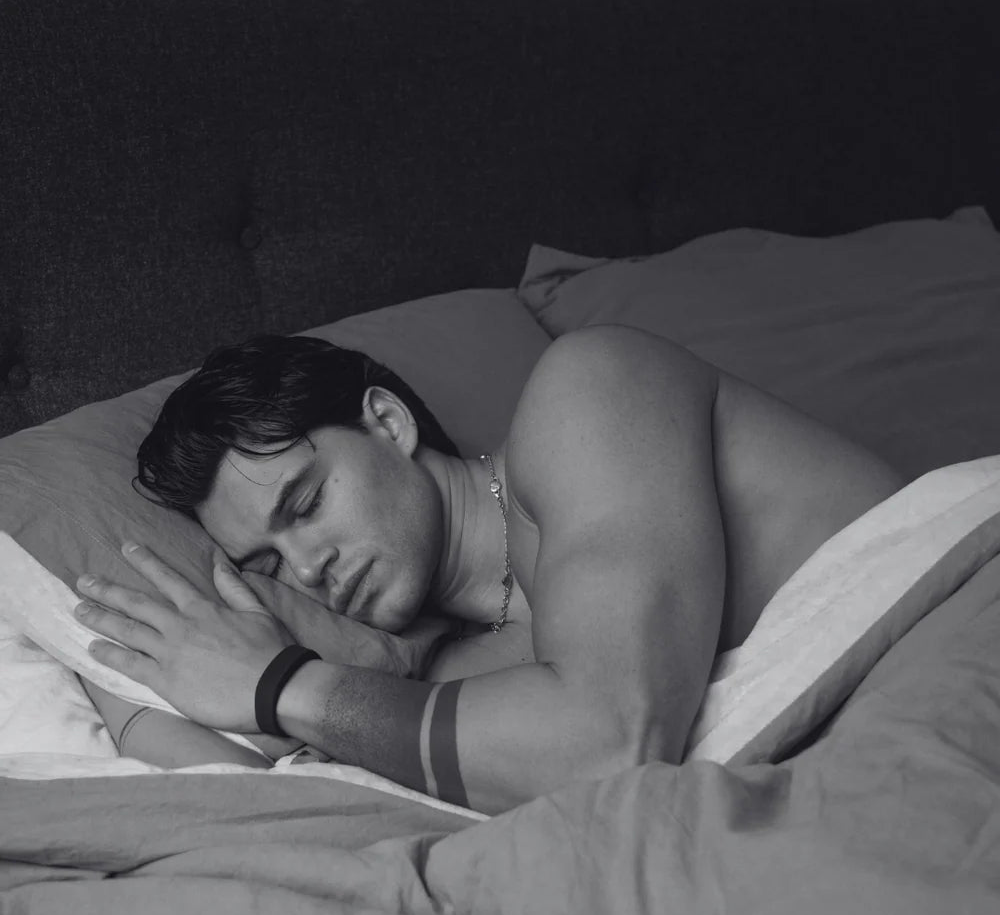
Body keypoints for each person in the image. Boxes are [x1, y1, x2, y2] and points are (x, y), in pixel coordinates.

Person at [74, 325, 903, 814]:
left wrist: (280, 684)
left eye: (306, 503)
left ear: (388, 423)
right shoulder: (455, 682)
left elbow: (613, 740)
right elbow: (307, 818)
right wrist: (105, 672)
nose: (306, 567)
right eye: (267, 564)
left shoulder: (590, 389)